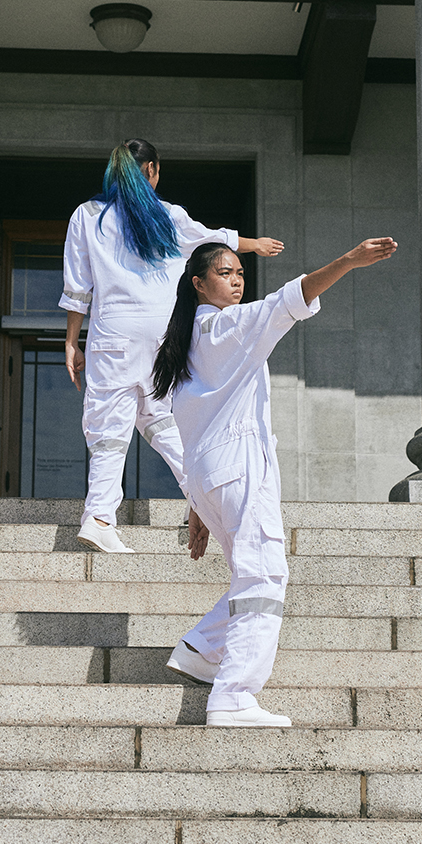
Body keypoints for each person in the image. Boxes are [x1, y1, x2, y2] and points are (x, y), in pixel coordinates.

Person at [151, 236, 397, 727]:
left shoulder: (188, 342)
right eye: (225, 272)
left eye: (240, 272)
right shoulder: (223, 326)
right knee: (264, 576)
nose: (237, 278)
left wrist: (197, 506)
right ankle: (234, 695)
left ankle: (202, 651)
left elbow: (192, 424)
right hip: (238, 468)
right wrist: (348, 259)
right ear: (198, 284)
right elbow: (290, 299)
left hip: (212, 475)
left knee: (253, 573)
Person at [60, 138, 284, 554]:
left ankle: (100, 516)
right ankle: (204, 501)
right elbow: (211, 239)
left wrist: (72, 342)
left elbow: (78, 287)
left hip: (112, 335)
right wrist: (254, 244)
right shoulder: (168, 216)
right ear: (152, 171)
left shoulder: (87, 216)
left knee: (109, 428)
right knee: (165, 422)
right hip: (161, 333)